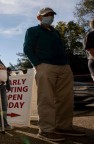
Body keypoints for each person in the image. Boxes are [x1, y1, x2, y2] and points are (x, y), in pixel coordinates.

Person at [23, 7, 86, 141]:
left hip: (64, 67)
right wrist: (38, 65)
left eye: (51, 15)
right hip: (45, 66)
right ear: (39, 17)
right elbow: (27, 49)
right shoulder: (32, 31)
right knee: (46, 99)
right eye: (46, 15)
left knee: (66, 99)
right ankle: (46, 130)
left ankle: (63, 127)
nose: (50, 17)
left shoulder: (55, 32)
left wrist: (67, 64)